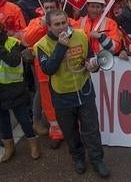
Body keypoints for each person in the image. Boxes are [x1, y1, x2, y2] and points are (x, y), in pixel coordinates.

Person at [34, 10, 110, 177]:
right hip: (62, 95)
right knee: (70, 131)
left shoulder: (81, 35)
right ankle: (78, 158)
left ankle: (97, 160)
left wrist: (93, 65)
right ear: (49, 26)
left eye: (64, 23)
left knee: (91, 129)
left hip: (84, 90)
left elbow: (90, 57)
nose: (62, 27)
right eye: (57, 24)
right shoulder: (42, 45)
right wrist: (61, 46)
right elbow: (48, 69)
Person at [23, 0, 68, 149]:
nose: (48, 10)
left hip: (65, 71)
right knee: (48, 104)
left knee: (67, 102)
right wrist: (42, 26)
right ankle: (56, 133)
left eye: (52, 7)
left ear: (58, 7)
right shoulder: (35, 22)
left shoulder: (64, 22)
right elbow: (27, 39)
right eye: (46, 8)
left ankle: (70, 131)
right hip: (43, 73)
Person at [0, 21, 40, 162]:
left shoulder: (13, 42)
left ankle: (33, 144)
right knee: (3, 121)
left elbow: (14, 61)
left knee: (23, 118)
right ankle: (9, 147)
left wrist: (1, 48)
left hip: (15, 87)